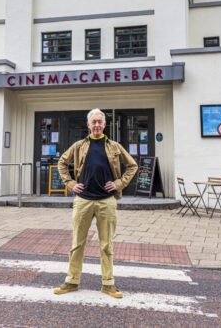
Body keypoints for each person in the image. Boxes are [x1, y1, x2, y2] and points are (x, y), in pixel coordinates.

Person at [53, 108, 138, 298]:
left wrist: (119, 183)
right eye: (94, 122)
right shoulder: (79, 145)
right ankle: (72, 281)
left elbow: (132, 165)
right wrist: (71, 183)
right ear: (88, 125)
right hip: (83, 201)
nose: (97, 125)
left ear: (105, 125)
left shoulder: (114, 146)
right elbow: (61, 163)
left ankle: (108, 284)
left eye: (100, 122)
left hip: (106, 202)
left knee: (106, 245)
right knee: (77, 243)